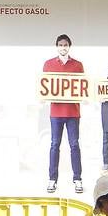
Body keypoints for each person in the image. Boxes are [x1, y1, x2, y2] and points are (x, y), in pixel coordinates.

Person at [44, 33, 85, 194]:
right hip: (56, 112)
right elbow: (45, 86)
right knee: (55, 145)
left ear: (69, 47)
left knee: (74, 145)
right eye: (60, 45)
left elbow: (82, 86)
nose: (63, 47)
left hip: (73, 112)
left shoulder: (78, 65)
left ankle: (77, 179)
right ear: (57, 47)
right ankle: (52, 179)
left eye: (65, 45)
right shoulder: (48, 64)